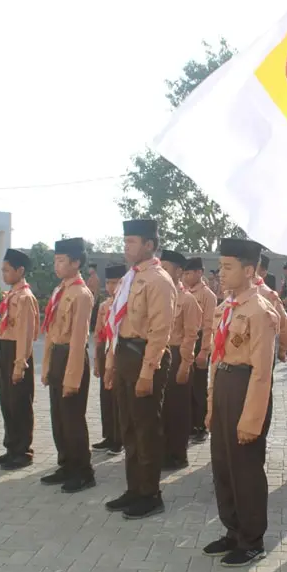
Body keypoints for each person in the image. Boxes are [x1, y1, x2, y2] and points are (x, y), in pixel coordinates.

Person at [201, 238, 279, 568]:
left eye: (228, 267)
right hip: (224, 386)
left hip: (247, 387)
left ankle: (252, 539)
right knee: (223, 465)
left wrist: (251, 420)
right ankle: (233, 530)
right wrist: (210, 406)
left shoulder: (260, 311)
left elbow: (263, 371)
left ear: (249, 270)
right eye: (221, 266)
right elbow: (216, 359)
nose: (221, 272)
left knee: (245, 468)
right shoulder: (225, 307)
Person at [103, 219, 176, 519]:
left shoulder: (159, 280)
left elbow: (160, 332)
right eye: (125, 241)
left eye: (132, 241)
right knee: (128, 427)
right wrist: (110, 364)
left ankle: (150, 493)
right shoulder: (128, 278)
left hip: (145, 356)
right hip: (124, 354)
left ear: (149, 244)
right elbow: (116, 325)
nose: (126, 247)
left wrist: (148, 372)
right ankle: (134, 487)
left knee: (146, 428)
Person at [39, 238, 95, 493]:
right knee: (58, 416)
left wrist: (72, 378)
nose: (57, 265)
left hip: (72, 356)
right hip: (58, 356)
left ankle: (83, 470)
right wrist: (47, 366)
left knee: (72, 417)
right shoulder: (60, 290)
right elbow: (51, 332)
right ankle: (66, 464)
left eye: (62, 261)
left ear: (76, 263)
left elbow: (79, 338)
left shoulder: (82, 294)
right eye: (55, 260)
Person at [0, 249, 39, 470]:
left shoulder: (25, 298)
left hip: (18, 352)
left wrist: (20, 363)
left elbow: (25, 334)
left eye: (7, 270)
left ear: (20, 270)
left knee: (19, 403)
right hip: (5, 348)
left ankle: (23, 450)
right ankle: (10, 447)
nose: (4, 274)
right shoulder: (11, 294)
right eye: (2, 270)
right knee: (7, 403)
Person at [159, 249, 201, 470]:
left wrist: (185, 364)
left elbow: (191, 334)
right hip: (160, 353)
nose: (162, 272)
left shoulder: (188, 300)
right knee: (162, 407)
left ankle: (178, 454)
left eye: (166, 268)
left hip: (177, 355)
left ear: (179, 271)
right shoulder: (160, 296)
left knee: (178, 408)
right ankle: (163, 450)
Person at [92, 264, 126, 454]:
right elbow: (98, 334)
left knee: (118, 398)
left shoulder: (126, 304)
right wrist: (98, 361)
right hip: (106, 353)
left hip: (121, 355)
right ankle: (109, 435)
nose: (112, 287)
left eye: (116, 282)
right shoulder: (105, 306)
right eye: (108, 283)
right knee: (106, 397)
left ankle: (119, 438)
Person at [184, 257, 217, 444]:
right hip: (186, 343)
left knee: (198, 386)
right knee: (186, 386)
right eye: (185, 273)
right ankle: (189, 423)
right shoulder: (184, 292)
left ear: (199, 273)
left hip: (199, 344)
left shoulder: (207, 295)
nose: (186, 277)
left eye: (189, 273)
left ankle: (201, 426)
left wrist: (204, 350)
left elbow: (208, 326)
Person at [86, 263, 102, 331]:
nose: (89, 270)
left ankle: (93, 328)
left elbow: (96, 290)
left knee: (94, 313)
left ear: (93, 269)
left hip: (93, 295)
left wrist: (95, 300)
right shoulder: (90, 277)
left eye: (90, 268)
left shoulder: (95, 278)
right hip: (90, 295)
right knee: (90, 312)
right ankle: (91, 327)